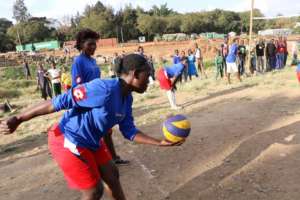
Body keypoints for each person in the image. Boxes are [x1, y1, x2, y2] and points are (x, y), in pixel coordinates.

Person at [0, 54, 182, 200]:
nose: (150, 79)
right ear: (134, 74)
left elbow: (129, 131)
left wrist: (160, 142)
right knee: (93, 191)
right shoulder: (103, 88)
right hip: (68, 139)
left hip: (91, 142)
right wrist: (19, 118)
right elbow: (58, 102)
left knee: (112, 175)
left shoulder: (127, 98)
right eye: (147, 75)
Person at [71, 29, 129, 169]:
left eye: (94, 44)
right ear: (81, 44)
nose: (93, 47)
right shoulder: (78, 61)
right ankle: (94, 162)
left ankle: (113, 157)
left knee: (106, 130)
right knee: (97, 132)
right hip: (87, 102)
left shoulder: (92, 60)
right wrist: (85, 106)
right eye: (90, 44)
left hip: (98, 100)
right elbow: (77, 87)